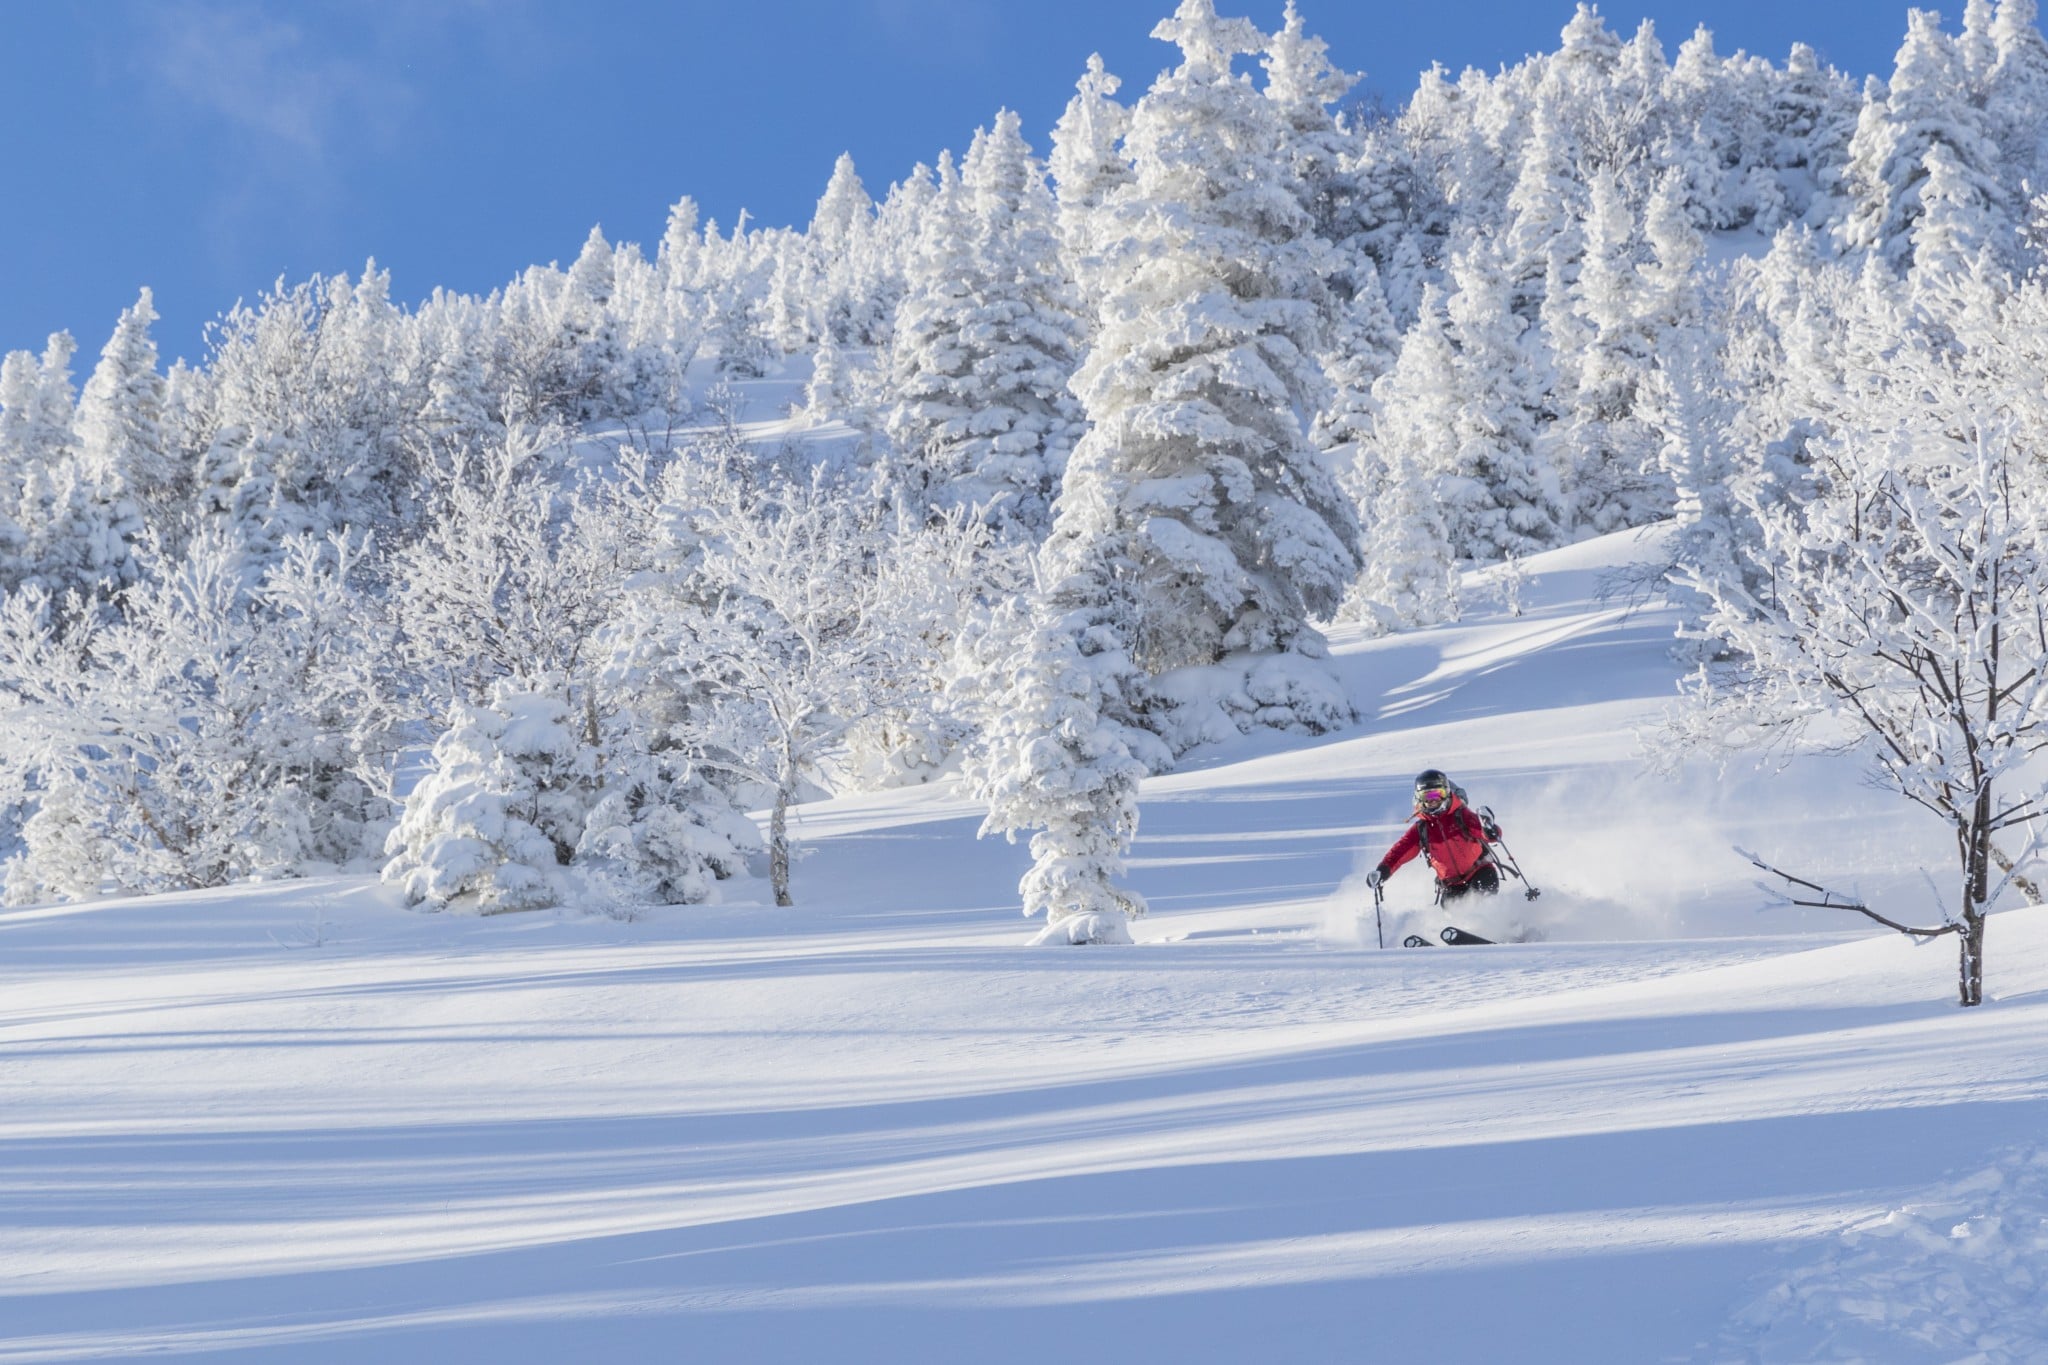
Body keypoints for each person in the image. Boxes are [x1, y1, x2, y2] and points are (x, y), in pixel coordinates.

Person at [1365, 769, 1503, 904]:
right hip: (1452, 885)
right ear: (1419, 799)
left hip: (1480, 872)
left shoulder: (1461, 815)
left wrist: (1490, 830)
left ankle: (1502, 923)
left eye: (1437, 794)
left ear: (1447, 793)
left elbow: (1482, 831)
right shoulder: (1421, 829)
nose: (1433, 801)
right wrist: (1382, 871)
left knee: (1482, 900)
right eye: (1427, 797)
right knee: (1453, 911)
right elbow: (1399, 852)